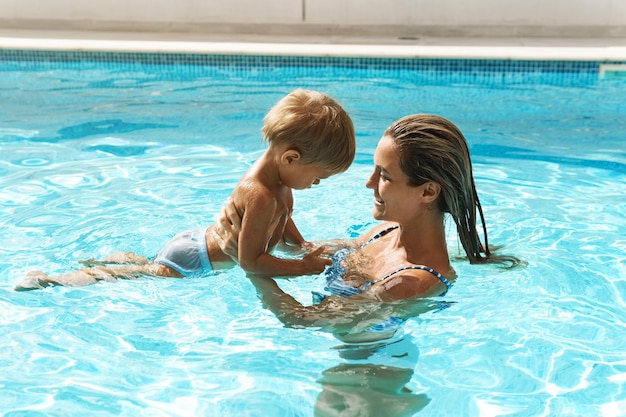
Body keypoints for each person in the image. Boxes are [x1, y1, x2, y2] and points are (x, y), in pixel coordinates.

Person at [217, 113, 522, 341]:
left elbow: (301, 319)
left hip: (371, 380)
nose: (369, 183)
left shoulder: (411, 283)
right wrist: (257, 231)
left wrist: (251, 269)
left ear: (428, 192)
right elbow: (310, 252)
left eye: (385, 176)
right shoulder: (385, 231)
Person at [15, 89, 356, 291]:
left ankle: (109, 258)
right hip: (195, 260)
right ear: (291, 158)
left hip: (195, 241)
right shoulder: (262, 194)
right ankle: (54, 280)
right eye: (318, 177)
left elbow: (282, 222)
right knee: (136, 277)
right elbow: (252, 263)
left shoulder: (279, 181)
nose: (316, 185)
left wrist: (303, 247)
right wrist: (302, 268)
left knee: (144, 265)